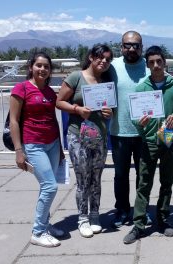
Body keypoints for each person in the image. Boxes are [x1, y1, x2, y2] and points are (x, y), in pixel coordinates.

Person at [123, 46, 173, 244]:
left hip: (168, 142)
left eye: (159, 61)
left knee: (166, 183)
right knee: (144, 185)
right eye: (151, 62)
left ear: (165, 62)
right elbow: (134, 118)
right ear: (147, 64)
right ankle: (139, 224)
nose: (156, 65)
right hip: (149, 142)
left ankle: (164, 219)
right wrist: (138, 123)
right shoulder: (141, 88)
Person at [56, 45, 114, 238]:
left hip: (99, 136)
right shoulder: (75, 77)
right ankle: (82, 217)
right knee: (83, 179)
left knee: (96, 178)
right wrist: (77, 109)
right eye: (100, 57)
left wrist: (109, 113)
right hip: (78, 136)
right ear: (91, 57)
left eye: (107, 59)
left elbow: (108, 109)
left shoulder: (106, 80)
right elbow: (59, 102)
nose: (103, 61)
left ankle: (95, 214)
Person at [9, 52, 64, 247]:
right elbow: (14, 121)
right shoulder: (21, 88)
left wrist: (61, 148)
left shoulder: (49, 92)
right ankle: (38, 232)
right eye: (39, 65)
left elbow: (53, 120)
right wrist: (18, 150)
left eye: (46, 66)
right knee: (50, 186)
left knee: (46, 186)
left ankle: (46, 224)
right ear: (31, 67)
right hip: (33, 144)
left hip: (53, 143)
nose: (42, 69)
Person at [109, 31, 151, 228]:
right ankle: (122, 209)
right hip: (119, 131)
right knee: (120, 175)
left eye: (136, 45)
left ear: (141, 47)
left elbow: (167, 84)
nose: (132, 49)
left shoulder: (151, 65)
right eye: (128, 45)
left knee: (143, 176)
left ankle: (141, 211)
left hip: (144, 133)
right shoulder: (112, 66)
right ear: (121, 47)